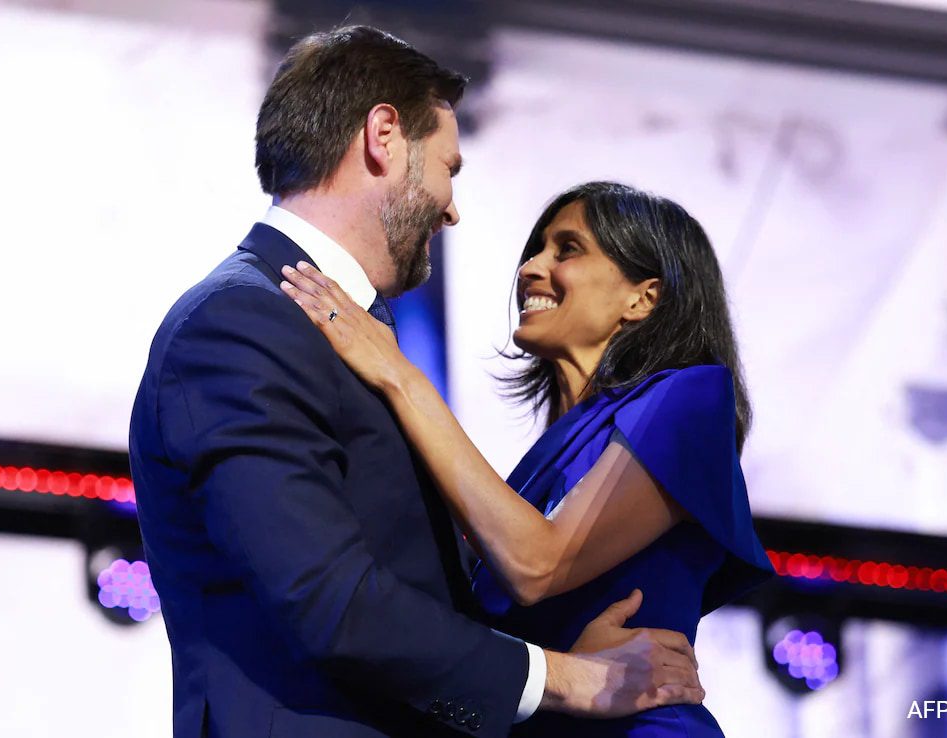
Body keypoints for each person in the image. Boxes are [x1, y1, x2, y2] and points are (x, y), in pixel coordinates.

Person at [128, 26, 705, 738]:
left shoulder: (325, 333)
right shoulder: (238, 324)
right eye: (448, 168)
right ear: (383, 137)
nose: (451, 206)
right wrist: (573, 680)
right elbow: (333, 604)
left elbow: (413, 610)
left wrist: (551, 670)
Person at [278, 181, 775, 737]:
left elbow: (538, 565)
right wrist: (571, 666)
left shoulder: (691, 397)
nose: (531, 268)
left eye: (567, 250)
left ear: (643, 298)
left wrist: (399, 375)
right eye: (537, 249)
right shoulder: (534, 472)